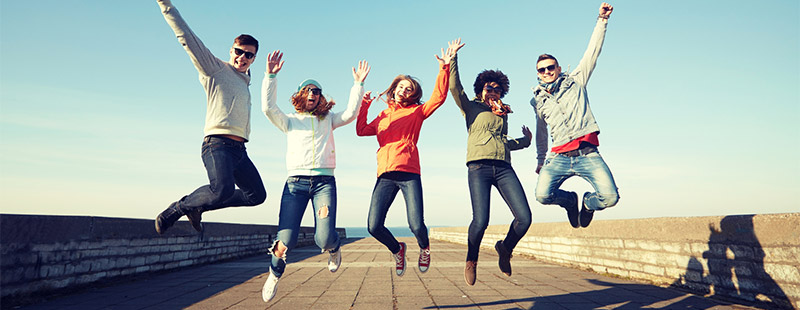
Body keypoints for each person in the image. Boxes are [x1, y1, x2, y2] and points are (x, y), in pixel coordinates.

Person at [259, 51, 370, 302]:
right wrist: (271, 75)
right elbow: (267, 107)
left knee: (323, 237)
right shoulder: (289, 121)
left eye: (316, 91)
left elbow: (352, 113)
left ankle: (334, 247)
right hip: (295, 185)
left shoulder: (328, 120)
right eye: (308, 90)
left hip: (323, 185)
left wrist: (358, 85)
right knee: (285, 240)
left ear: (320, 97)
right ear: (301, 95)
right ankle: (274, 275)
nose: (312, 94)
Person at [154, 0, 266, 235]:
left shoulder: (245, 83)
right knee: (222, 189)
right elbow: (186, 37)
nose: (242, 57)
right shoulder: (215, 69)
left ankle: (198, 207)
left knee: (256, 195)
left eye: (249, 55)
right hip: (217, 146)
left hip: (239, 151)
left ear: (253, 59)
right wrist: (166, 5)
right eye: (239, 52)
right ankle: (178, 209)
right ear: (231, 50)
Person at [356, 42, 455, 277]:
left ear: (414, 94)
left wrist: (444, 68)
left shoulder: (417, 112)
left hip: (409, 173)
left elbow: (439, 98)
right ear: (394, 89)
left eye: (409, 89)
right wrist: (365, 105)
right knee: (373, 226)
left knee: (416, 225)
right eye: (401, 86)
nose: (404, 90)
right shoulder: (383, 115)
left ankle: (424, 247)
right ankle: (397, 249)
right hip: (385, 175)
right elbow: (361, 130)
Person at [448, 39, 533, 286]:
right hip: (478, 167)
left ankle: (505, 249)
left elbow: (502, 140)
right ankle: (471, 260)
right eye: (488, 87)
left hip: (504, 167)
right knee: (481, 220)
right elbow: (455, 87)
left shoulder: (502, 112)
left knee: (524, 218)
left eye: (497, 88)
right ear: (481, 89)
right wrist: (453, 59)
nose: (493, 90)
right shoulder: (471, 107)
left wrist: (525, 141)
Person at [531, 2, 619, 230]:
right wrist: (541, 160)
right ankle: (570, 201)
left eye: (551, 67)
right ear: (538, 74)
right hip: (558, 156)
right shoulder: (537, 100)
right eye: (542, 70)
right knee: (542, 195)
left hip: (587, 153)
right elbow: (541, 132)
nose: (547, 72)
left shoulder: (576, 81)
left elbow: (592, 52)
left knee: (610, 197)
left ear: (559, 68)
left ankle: (588, 204)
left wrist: (602, 21)